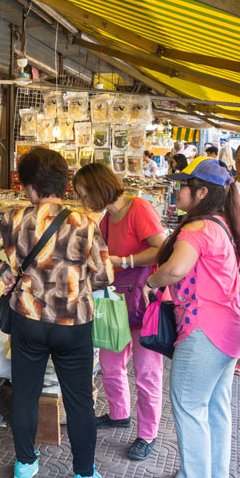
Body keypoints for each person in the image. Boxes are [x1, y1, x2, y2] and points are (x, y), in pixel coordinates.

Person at [0, 147, 112, 478]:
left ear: (30, 186)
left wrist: (5, 271)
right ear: (63, 185)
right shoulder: (84, 223)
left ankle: (24, 465)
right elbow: (106, 274)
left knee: (26, 394)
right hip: (73, 322)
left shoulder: (15, 218)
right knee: (79, 401)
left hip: (28, 319)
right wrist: (75, 287)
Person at [145, 157, 240, 478]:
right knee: (215, 405)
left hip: (205, 329)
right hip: (230, 329)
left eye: (183, 185)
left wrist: (151, 281)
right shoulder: (222, 224)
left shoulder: (198, 228)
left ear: (201, 192)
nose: (177, 191)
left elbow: (174, 270)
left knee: (189, 403)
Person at [74, 163, 166, 461]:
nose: (82, 200)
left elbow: (161, 249)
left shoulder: (139, 208)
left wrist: (124, 261)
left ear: (100, 188)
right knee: (112, 364)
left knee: (146, 372)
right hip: (113, 302)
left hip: (142, 300)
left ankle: (147, 434)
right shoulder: (107, 219)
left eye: (84, 193)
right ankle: (118, 413)